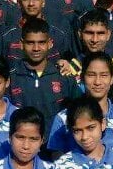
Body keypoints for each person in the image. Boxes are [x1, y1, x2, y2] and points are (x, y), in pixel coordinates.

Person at [7, 16, 79, 151]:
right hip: (23, 150)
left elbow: (79, 112)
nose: (36, 48)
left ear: (50, 43)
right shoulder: (11, 77)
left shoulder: (64, 76)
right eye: (30, 43)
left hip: (58, 151)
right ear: (21, 44)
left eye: (41, 42)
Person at [48, 52, 113, 156]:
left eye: (104, 75)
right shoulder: (63, 119)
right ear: (82, 78)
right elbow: (57, 162)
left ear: (112, 79)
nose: (97, 82)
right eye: (91, 75)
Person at [2, 0, 70, 67]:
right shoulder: (7, 36)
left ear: (43, 1)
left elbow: (69, 66)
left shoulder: (59, 35)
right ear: (19, 3)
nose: (31, 3)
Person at [60, 9, 113, 82]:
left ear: (108, 34)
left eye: (100, 33)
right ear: (80, 34)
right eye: (89, 33)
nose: (94, 40)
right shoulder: (69, 69)